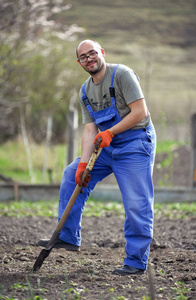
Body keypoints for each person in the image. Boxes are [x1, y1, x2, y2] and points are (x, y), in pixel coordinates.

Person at [38, 39, 156, 276]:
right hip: (105, 146)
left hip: (134, 144)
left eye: (92, 53)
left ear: (102, 52)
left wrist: (111, 132)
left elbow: (141, 112)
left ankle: (135, 261)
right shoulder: (85, 90)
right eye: (83, 57)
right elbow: (90, 131)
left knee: (136, 202)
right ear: (79, 62)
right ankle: (68, 236)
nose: (89, 59)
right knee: (72, 175)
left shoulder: (122, 75)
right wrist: (83, 164)